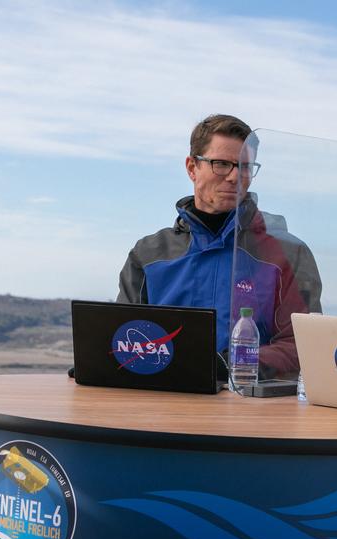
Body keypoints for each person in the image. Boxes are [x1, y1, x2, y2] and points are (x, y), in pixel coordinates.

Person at [117, 113, 322, 379]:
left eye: (245, 167)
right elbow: (123, 336)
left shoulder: (286, 253)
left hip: (252, 407)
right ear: (192, 167)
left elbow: (304, 343)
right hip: (165, 404)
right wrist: (103, 363)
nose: (234, 176)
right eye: (222, 164)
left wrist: (232, 364)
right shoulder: (148, 254)